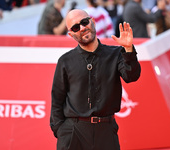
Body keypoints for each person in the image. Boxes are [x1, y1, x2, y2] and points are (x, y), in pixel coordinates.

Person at [50, 9, 141, 150]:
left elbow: (132, 76)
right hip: (74, 133)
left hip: (106, 132)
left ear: (92, 21)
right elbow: (57, 100)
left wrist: (128, 49)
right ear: (71, 34)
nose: (82, 28)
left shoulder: (116, 54)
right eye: (75, 27)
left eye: (84, 22)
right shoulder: (65, 61)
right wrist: (61, 131)